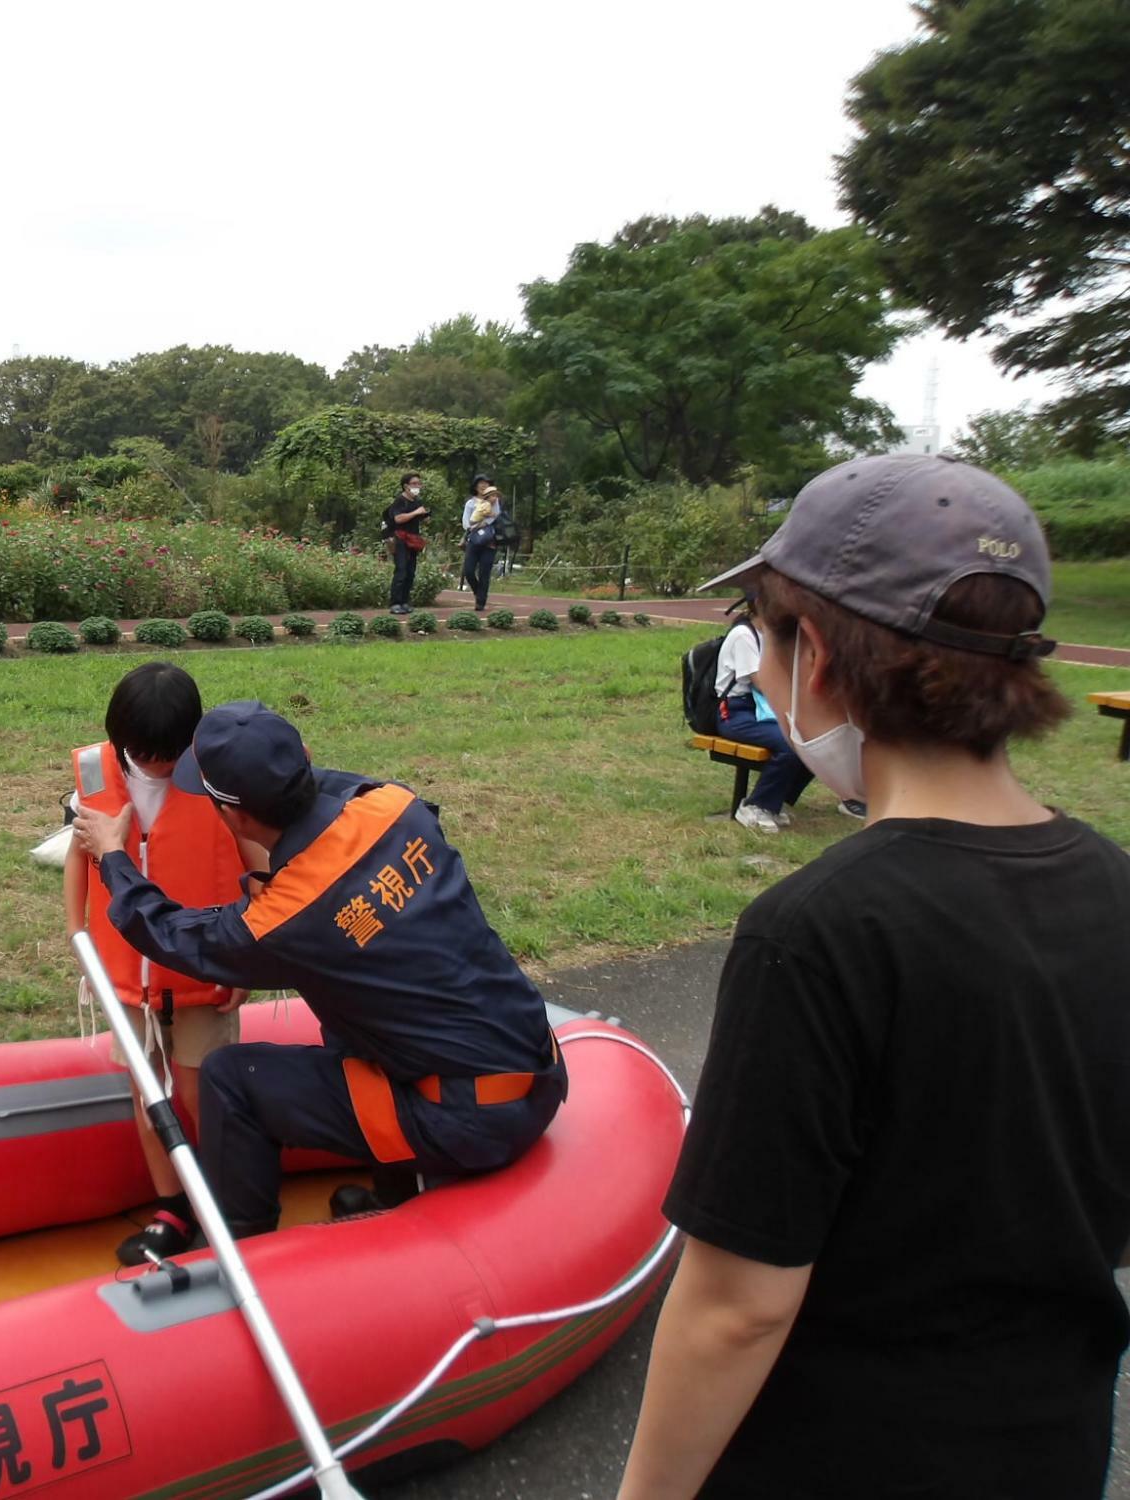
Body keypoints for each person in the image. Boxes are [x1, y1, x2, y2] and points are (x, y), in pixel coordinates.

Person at [619, 455, 1130, 1500]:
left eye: (761, 640)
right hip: (1050, 1444)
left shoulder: (815, 934)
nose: (759, 674)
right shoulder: (1112, 886)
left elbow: (736, 1306)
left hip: (836, 1455)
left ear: (814, 655)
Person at [72, 702, 564, 1237]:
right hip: (537, 1070)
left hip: (471, 1121)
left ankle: (242, 1245)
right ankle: (396, 1194)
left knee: (231, 1077)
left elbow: (169, 934)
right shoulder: (399, 806)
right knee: (346, 1019)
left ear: (234, 816)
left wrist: (113, 855)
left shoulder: (289, 917)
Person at [64, 663, 256, 1264]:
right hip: (130, 979)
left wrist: (242, 963)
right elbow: (79, 851)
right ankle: (172, 1205)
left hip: (205, 970)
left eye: (171, 755)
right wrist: (78, 935)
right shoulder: (97, 777)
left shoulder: (221, 780)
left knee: (205, 1094)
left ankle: (223, 1204)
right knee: (148, 1094)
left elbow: (253, 865)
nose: (159, 766)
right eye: (145, 754)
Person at [711, 596, 812, 832]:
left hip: (761, 708)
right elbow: (761, 682)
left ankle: (774, 802)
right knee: (790, 743)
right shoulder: (743, 635)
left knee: (812, 740)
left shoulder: (768, 635)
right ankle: (755, 806)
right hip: (736, 713)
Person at [382, 472, 430, 615]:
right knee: (401, 570)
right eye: (414, 484)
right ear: (405, 486)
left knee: (410, 571)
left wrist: (425, 516)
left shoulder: (417, 502)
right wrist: (415, 513)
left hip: (413, 539)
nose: (417, 486)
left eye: (418, 484)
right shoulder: (400, 501)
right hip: (400, 538)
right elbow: (398, 519)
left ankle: (404, 601)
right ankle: (395, 602)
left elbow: (423, 519)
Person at [461, 476, 500, 611]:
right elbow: (466, 522)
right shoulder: (470, 503)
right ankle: (479, 592)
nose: (483, 486)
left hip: (489, 541)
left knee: (485, 572)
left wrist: (481, 523)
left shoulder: (494, 501)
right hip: (473, 539)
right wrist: (475, 527)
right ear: (475, 486)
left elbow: (495, 517)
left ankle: (480, 602)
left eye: (486, 483)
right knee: (469, 570)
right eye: (480, 483)